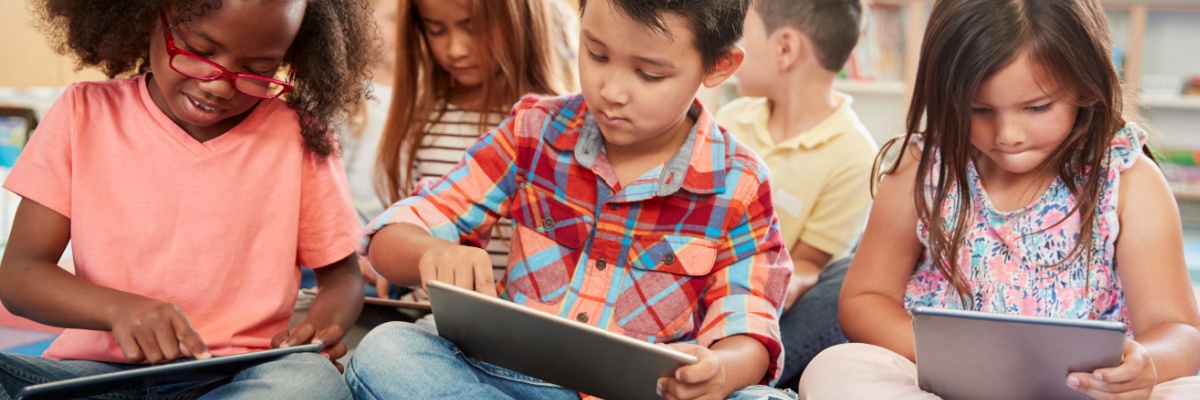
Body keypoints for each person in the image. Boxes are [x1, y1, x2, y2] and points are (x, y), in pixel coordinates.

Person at [344, 0, 796, 399]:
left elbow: (750, 326)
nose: (612, 91)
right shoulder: (534, 131)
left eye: (649, 73)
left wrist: (720, 371)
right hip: (506, 376)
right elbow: (390, 235)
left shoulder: (740, 182)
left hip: (644, 392)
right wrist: (431, 252)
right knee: (387, 351)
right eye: (596, 53)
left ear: (718, 66)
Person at [798, 0, 1200, 398]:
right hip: (945, 386)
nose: (1008, 134)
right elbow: (864, 299)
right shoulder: (919, 171)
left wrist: (1145, 364)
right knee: (834, 371)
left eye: (1038, 107)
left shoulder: (1126, 179)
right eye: (979, 109)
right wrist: (951, 359)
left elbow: (1179, 330)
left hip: (1085, 392)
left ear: (1085, 82)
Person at [0, 0, 372, 398]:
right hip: (94, 376)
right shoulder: (83, 113)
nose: (220, 85)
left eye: (259, 70)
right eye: (199, 51)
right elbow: (20, 275)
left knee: (311, 382)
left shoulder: (300, 137)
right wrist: (120, 309)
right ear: (148, 17)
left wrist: (313, 336)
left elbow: (342, 278)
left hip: (242, 375)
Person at [360, 0, 577, 300]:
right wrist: (395, 260)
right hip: (428, 310)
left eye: (473, 28)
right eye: (437, 31)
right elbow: (409, 224)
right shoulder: (423, 117)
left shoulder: (551, 129)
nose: (456, 49)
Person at [716, 0, 876, 388]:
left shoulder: (857, 155)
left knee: (841, 282)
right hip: (704, 276)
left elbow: (808, 264)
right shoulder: (732, 118)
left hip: (768, 306)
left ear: (785, 48)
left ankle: (735, 376)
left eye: (741, 33)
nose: (727, 45)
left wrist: (774, 284)